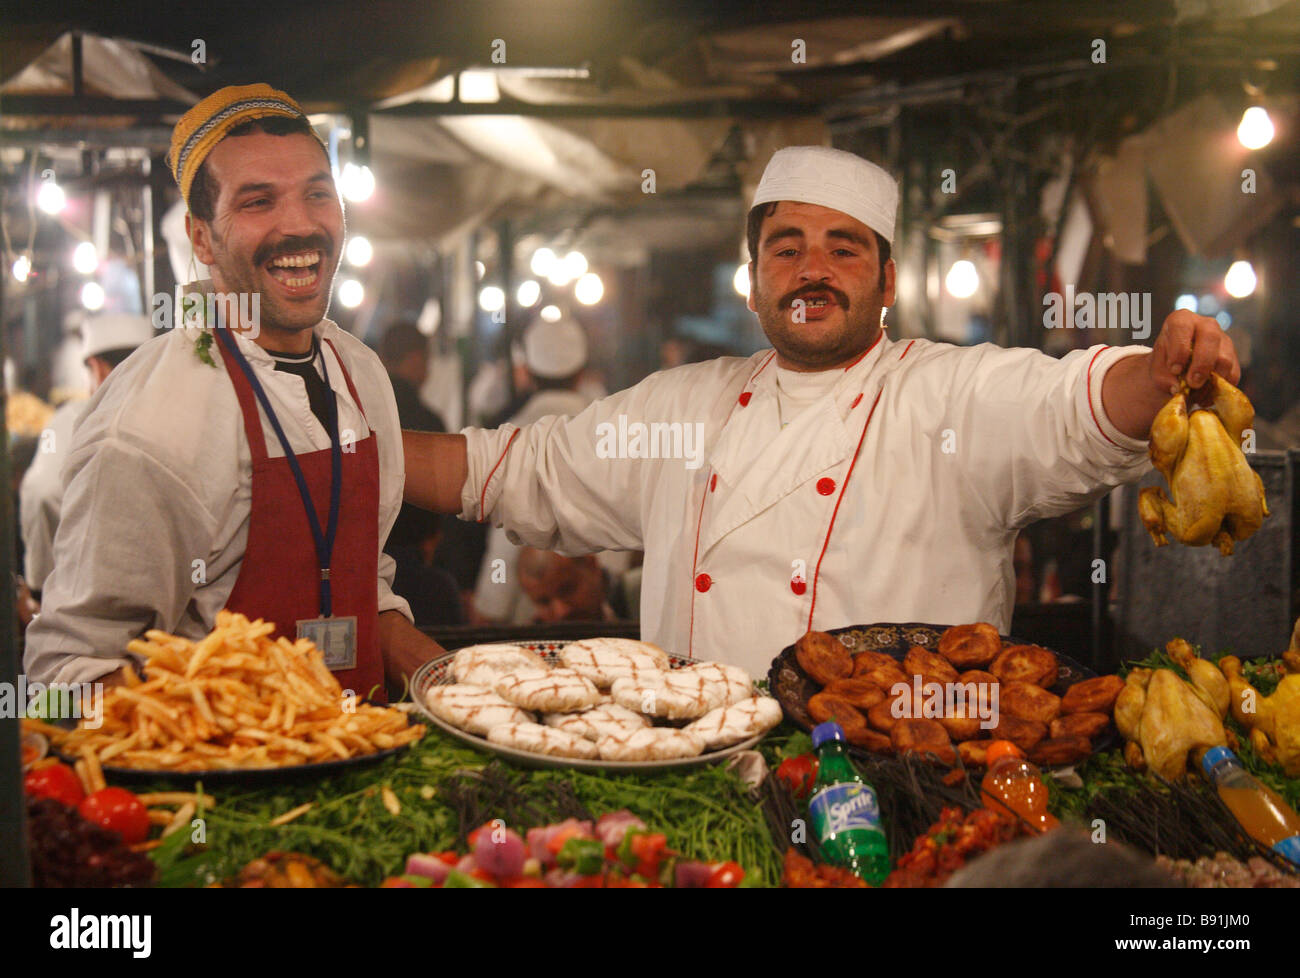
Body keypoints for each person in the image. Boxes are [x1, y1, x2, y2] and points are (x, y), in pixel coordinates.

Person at [402, 146, 1240, 677]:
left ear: (885, 279)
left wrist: (1162, 369)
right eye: (787, 247)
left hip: (905, 786)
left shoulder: (947, 395)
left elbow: (1072, 405)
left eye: (844, 248)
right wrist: (346, 446)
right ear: (755, 276)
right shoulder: (682, 406)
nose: (814, 269)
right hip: (706, 777)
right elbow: (512, 470)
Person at [24, 83, 444, 695]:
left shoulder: (362, 374)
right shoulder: (152, 419)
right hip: (219, 784)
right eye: (258, 201)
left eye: (317, 194)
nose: (299, 225)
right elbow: (71, 670)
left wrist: (457, 685)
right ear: (200, 238)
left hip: (367, 757)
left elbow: (359, 585)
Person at [471, 316, 599, 624]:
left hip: (534, 622)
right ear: (581, 374)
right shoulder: (609, 429)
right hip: (604, 615)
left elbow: (504, 544)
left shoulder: (509, 436)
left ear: (527, 372)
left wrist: (489, 607)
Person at [20, 313, 154, 596]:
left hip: (88, 593)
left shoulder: (74, 418)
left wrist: (40, 584)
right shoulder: (179, 411)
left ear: (97, 368)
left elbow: (41, 493)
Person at [516, 546, 623, 624]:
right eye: (544, 602)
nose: (562, 611)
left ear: (592, 566)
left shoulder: (636, 600)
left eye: (567, 590)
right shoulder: (533, 642)